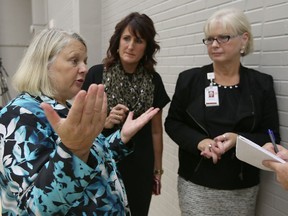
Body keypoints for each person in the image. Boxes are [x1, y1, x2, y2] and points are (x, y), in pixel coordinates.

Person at [0, 28, 159, 215]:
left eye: (85, 61)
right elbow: (38, 206)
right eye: (75, 60)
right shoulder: (19, 115)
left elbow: (91, 160)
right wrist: (73, 151)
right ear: (44, 64)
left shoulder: (65, 108)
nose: (84, 68)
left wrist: (121, 138)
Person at [165, 7, 280, 216]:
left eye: (223, 37)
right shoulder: (190, 80)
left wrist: (239, 139)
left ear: (244, 40)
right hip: (196, 182)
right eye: (209, 39)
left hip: (242, 186)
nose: (214, 45)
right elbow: (173, 123)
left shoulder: (261, 85)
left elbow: (271, 136)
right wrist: (201, 142)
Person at [82, 12, 170, 216]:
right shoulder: (96, 74)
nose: (131, 46)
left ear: (146, 47)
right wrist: (105, 122)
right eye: (126, 38)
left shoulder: (153, 80)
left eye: (138, 40)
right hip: (103, 160)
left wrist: (157, 170)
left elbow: (156, 131)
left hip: (141, 164)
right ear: (117, 41)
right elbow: (82, 124)